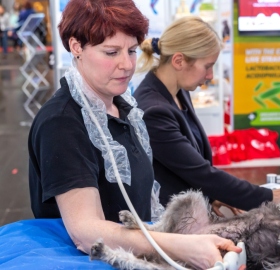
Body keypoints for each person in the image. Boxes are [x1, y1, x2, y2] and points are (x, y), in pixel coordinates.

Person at [28, 1, 243, 269]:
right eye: (111, 52)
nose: (127, 65)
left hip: (135, 251)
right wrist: (182, 247)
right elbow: (85, 232)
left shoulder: (123, 105)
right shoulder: (61, 122)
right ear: (76, 47)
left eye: (131, 51)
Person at [134, 16, 280, 216]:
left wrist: (216, 194)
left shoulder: (178, 91)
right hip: (170, 221)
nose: (210, 76)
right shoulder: (153, 111)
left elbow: (189, 164)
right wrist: (270, 197)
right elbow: (200, 173)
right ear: (179, 61)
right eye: (207, 66)